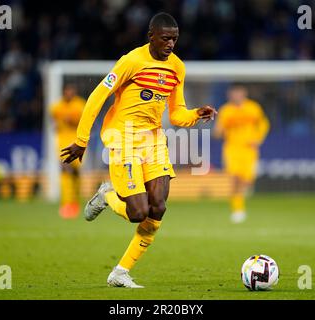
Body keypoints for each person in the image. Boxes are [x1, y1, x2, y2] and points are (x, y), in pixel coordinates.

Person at [61, 12, 217, 288]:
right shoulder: (131, 61)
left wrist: (196, 114)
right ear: (151, 36)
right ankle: (107, 194)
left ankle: (120, 272)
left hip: (154, 139)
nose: (170, 44)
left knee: (158, 208)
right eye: (166, 38)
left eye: (175, 39)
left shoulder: (176, 67)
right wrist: (81, 140)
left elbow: (177, 113)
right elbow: (98, 96)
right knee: (137, 212)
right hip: (123, 138)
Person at [213, 85, 269, 223]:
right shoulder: (226, 110)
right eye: (233, 93)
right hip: (232, 148)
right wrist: (218, 132)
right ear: (229, 95)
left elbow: (263, 124)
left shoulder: (253, 108)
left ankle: (243, 194)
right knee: (235, 178)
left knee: (247, 180)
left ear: (244, 93)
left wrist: (258, 138)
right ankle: (238, 210)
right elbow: (218, 131)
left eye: (238, 93)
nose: (235, 96)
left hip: (249, 149)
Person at [51, 83, 85, 218]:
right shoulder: (56, 107)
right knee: (65, 170)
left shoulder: (80, 105)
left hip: (78, 143)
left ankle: (75, 202)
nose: (69, 93)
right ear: (64, 92)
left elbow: (84, 122)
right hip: (63, 143)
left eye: (72, 91)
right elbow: (54, 121)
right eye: (67, 91)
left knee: (76, 173)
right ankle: (67, 204)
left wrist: (72, 121)